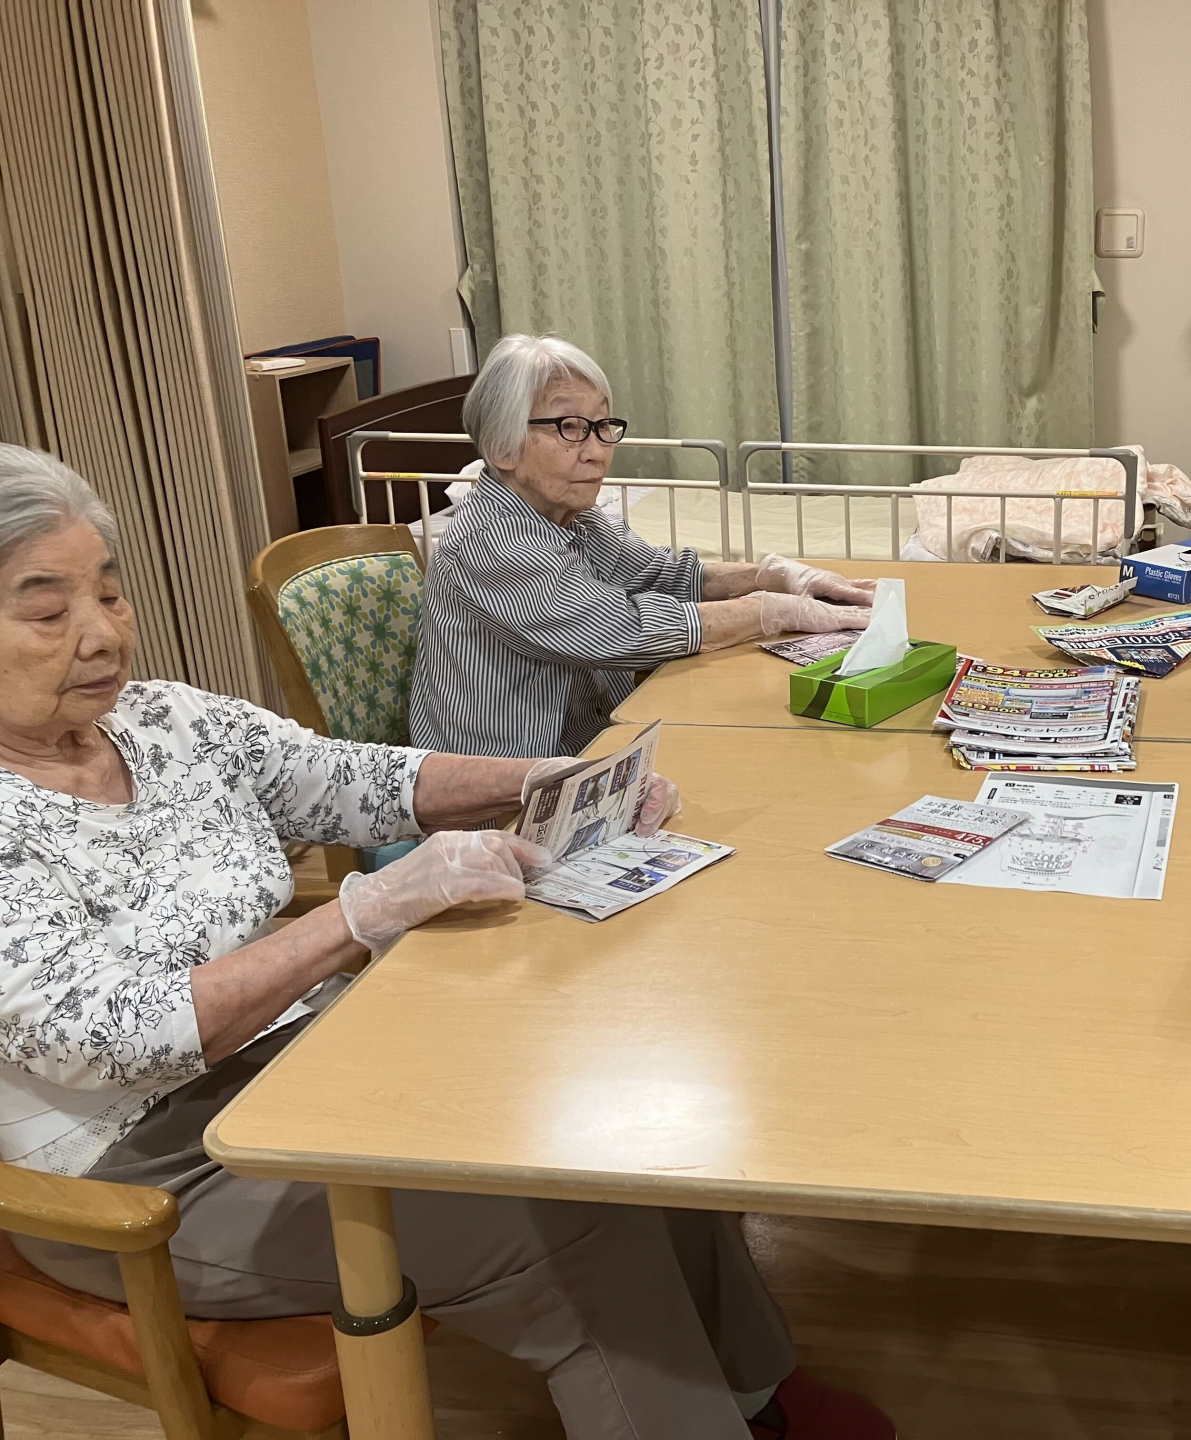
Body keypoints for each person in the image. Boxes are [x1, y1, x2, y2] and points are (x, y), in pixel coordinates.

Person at [0, 444, 891, 1440]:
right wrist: (361, 914)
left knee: (619, 1120)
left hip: (300, 1063)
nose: (101, 633)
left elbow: (365, 781)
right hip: (145, 1176)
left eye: (109, 594)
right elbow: (119, 1035)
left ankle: (753, 1394)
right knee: (557, 1222)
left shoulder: (166, 722)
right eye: (48, 612)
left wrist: (546, 778)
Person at [411, 333, 876, 757]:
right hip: (507, 783)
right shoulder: (490, 541)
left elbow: (668, 576)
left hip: (594, 745)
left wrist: (773, 576)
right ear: (501, 446)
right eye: (570, 427)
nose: (598, 451)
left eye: (602, 426)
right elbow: (624, 630)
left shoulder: (577, 519)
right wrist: (768, 612)